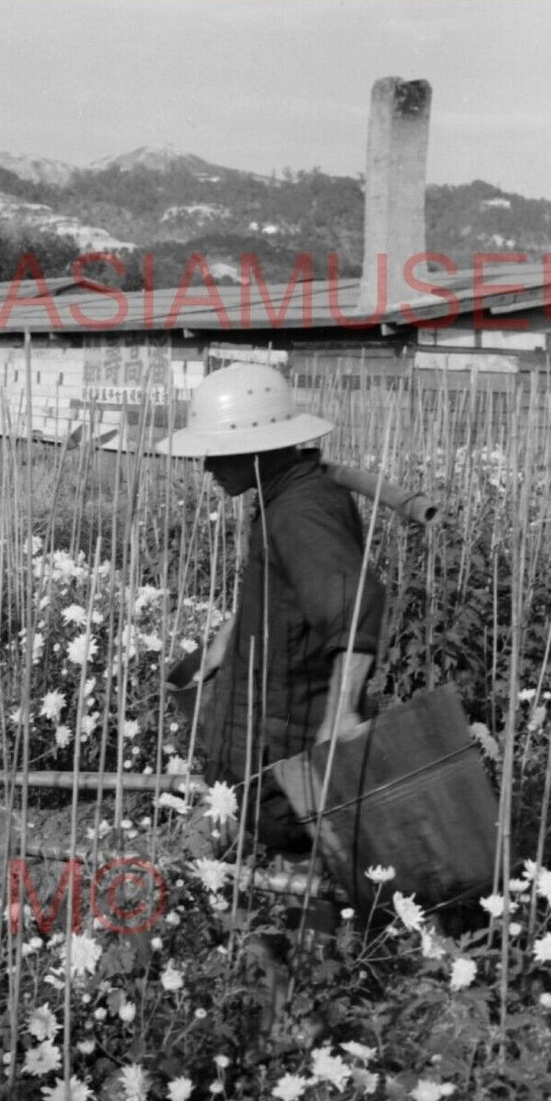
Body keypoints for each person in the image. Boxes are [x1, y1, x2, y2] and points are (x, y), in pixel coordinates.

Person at [157, 362, 386, 859]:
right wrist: (226, 639)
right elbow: (285, 585)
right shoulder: (282, 497)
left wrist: (343, 711)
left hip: (285, 728)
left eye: (216, 453)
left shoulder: (301, 511)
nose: (207, 467)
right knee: (248, 820)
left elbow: (355, 605)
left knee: (291, 839)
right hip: (259, 711)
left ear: (256, 451)